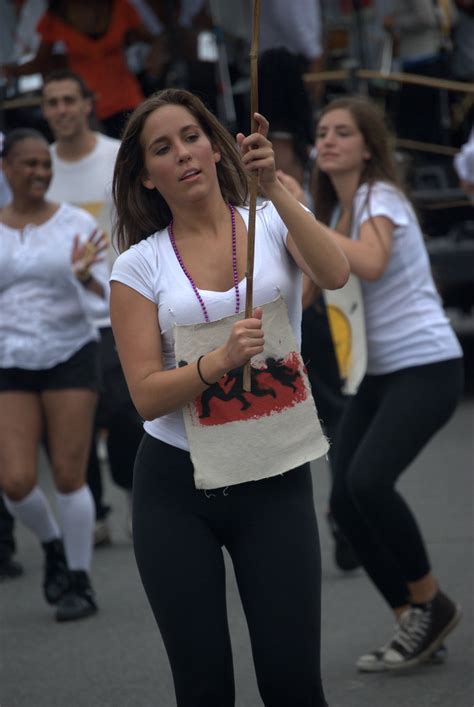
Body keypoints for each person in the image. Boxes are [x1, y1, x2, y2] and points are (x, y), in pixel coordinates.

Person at [109, 88, 349, 706]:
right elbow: (144, 396)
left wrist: (276, 192)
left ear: (218, 149)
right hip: (175, 488)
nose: (183, 154)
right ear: (147, 176)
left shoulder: (271, 220)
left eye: (192, 137)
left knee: (293, 683)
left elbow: (335, 273)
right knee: (204, 688)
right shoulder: (137, 266)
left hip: (272, 472)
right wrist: (216, 363)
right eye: (163, 148)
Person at [312, 96, 464, 672]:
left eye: (342, 132)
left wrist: (296, 209)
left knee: (369, 482)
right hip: (374, 373)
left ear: (368, 147)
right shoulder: (334, 217)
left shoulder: (381, 197)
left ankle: (431, 604)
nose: (327, 140)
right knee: (345, 503)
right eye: (322, 132)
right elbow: (311, 286)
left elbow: (370, 264)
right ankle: (414, 621)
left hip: (426, 366)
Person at [0, 128, 109, 621]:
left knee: (68, 474)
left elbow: (109, 294)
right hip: (9, 359)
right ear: (6, 169)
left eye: (45, 164)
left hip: (69, 351)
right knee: (16, 481)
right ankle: (52, 548)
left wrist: (85, 274)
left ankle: (80, 580)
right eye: (28, 164)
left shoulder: (75, 224)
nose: (40, 173)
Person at [41, 68, 144, 544]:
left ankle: (130, 489)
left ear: (88, 104)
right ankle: (93, 508)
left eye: (68, 100)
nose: (61, 110)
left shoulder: (115, 156)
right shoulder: (36, 164)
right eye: (52, 102)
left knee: (125, 412)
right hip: (60, 315)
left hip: (115, 304)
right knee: (70, 417)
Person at [1, 0, 167, 138]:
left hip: (127, 99)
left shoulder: (120, 6)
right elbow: (42, 62)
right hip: (87, 107)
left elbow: (155, 39)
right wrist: (10, 71)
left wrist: (155, 59)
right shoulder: (56, 17)